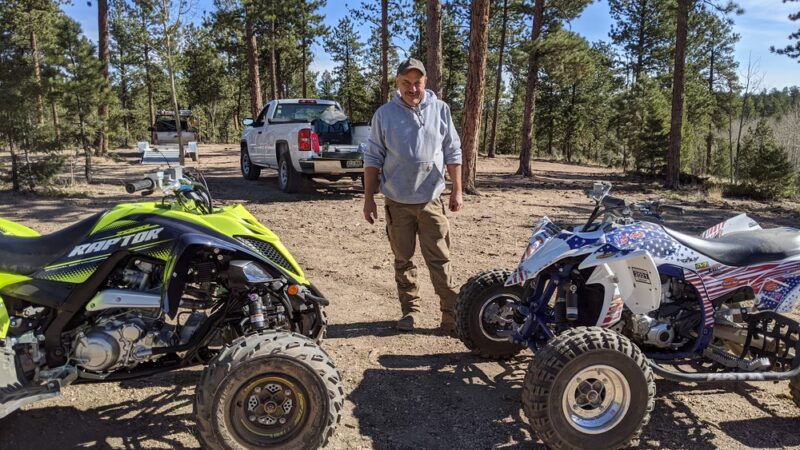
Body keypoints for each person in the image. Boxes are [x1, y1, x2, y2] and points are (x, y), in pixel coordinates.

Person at [362, 58, 463, 333]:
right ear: (397, 83)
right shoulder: (384, 115)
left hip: (432, 200)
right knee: (403, 260)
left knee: (440, 260)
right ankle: (411, 311)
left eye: (417, 82)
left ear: (425, 82)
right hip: (397, 202)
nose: (412, 88)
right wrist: (368, 197)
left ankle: (450, 315)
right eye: (406, 83)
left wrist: (458, 189)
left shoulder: (441, 110)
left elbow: (453, 151)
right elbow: (373, 157)